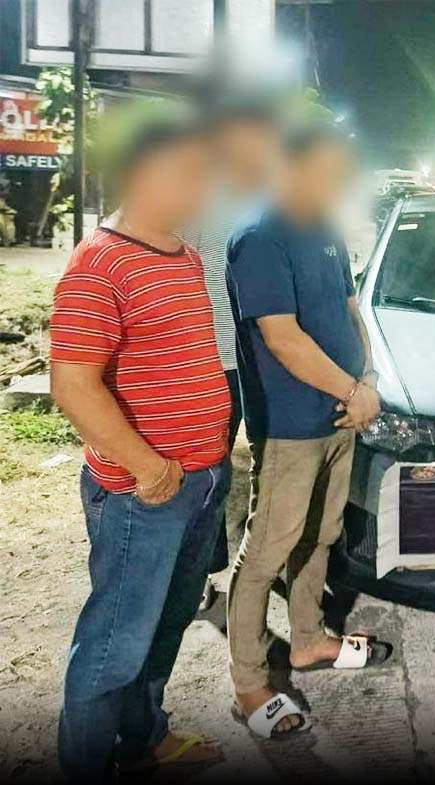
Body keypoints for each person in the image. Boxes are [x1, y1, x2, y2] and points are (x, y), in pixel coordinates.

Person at [50, 103, 231, 781]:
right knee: (113, 645)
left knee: (165, 625)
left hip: (199, 481)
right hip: (142, 493)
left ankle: (143, 739)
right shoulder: (100, 264)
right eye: (188, 174)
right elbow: (72, 383)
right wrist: (148, 467)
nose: (200, 191)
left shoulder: (182, 255)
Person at [225, 120, 387, 740]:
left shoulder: (323, 229)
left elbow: (351, 311)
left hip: (341, 416)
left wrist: (365, 379)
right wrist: (354, 392)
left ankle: (309, 639)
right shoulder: (259, 236)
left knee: (320, 536)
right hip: (291, 425)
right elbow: (283, 339)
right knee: (268, 548)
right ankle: (248, 681)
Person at [184, 94, 279, 610]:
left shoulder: (266, 196)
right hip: (213, 359)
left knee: (264, 461)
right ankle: (197, 571)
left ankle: (259, 556)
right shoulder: (200, 194)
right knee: (208, 467)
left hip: (260, 358)